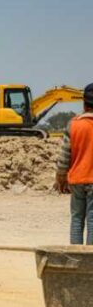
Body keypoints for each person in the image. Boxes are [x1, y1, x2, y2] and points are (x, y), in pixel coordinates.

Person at [55, 83, 93, 244]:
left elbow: (64, 157)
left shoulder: (74, 124)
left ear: (84, 103)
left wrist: (61, 178)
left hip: (77, 180)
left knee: (77, 220)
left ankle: (76, 260)